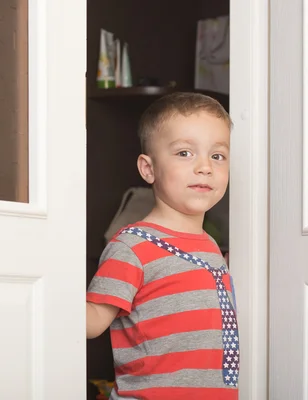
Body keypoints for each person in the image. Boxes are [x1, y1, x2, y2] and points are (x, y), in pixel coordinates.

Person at [86, 92, 239, 399]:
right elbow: (91, 323)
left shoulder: (210, 247)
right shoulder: (132, 247)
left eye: (217, 155)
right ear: (148, 168)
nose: (205, 167)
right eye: (185, 153)